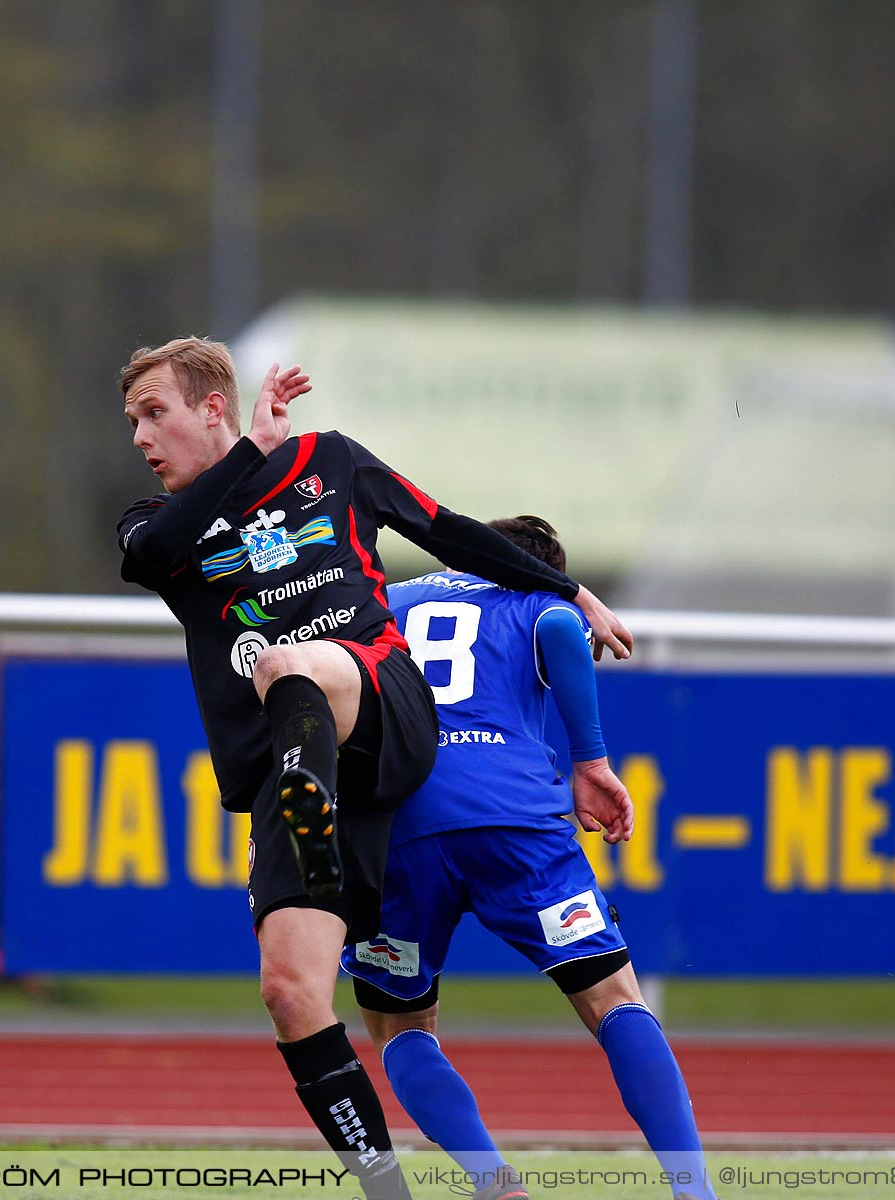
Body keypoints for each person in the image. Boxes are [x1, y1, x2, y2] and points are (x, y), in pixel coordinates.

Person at [115, 339, 632, 1200]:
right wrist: (249, 453)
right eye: (132, 421)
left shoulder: (332, 463)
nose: (140, 436)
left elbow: (449, 532)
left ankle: (313, 814)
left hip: (380, 703)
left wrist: (569, 593)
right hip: (291, 771)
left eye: (154, 414)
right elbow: (151, 551)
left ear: (212, 407)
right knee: (291, 995)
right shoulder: (154, 526)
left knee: (288, 664)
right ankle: (388, 1188)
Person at [341, 516, 717, 1200]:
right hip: (515, 823)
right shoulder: (533, 599)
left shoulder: (386, 603)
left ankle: (493, 1184)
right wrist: (591, 762)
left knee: (398, 1025)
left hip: (400, 829)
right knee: (612, 999)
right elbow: (555, 630)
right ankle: (694, 1191)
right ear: (541, 568)